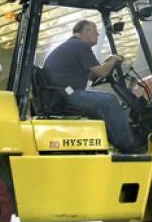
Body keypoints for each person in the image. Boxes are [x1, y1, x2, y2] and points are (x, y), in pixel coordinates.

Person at [43, 20, 140, 153]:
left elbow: (91, 75)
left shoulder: (71, 46)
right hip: (67, 94)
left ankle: (117, 143)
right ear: (86, 31)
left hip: (61, 93)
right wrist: (113, 60)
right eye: (95, 31)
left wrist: (108, 62)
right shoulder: (80, 46)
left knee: (98, 111)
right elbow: (101, 72)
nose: (98, 34)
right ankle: (130, 144)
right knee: (109, 101)